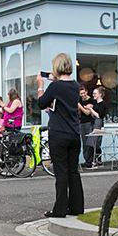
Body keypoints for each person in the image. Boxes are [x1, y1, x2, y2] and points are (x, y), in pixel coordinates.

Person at [38, 54, 84, 218]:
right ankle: (77, 207)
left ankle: (60, 209)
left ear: (56, 67)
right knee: (73, 171)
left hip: (58, 133)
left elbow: (41, 103)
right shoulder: (75, 85)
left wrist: (40, 86)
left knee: (61, 172)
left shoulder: (55, 87)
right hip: (74, 133)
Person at [79, 84, 101, 168]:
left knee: (89, 143)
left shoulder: (91, 101)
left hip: (89, 122)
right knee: (84, 143)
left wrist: (79, 106)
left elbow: (87, 113)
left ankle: (91, 161)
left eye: (84, 93)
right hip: (82, 123)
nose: (83, 95)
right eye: (81, 93)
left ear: (87, 92)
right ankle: (87, 160)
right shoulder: (80, 100)